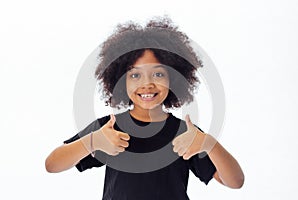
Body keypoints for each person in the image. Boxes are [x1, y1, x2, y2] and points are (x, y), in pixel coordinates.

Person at [45, 16, 244, 200]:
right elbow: (52, 165)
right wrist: (92, 141)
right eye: (135, 75)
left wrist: (208, 143)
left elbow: (235, 182)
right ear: (120, 81)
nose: (147, 84)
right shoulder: (108, 130)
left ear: (173, 78)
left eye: (158, 74)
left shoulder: (185, 135)